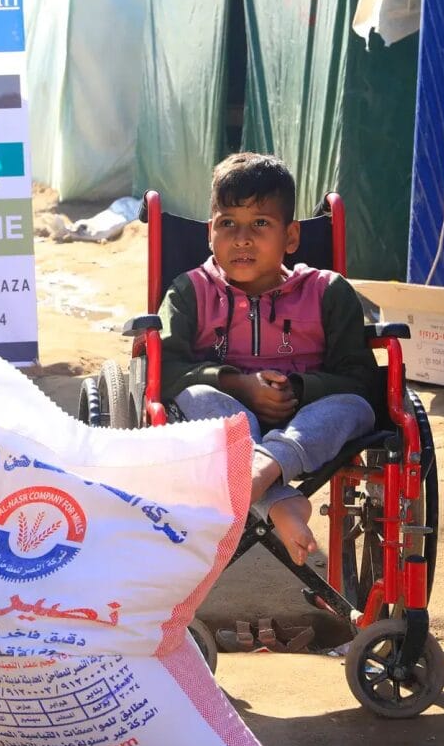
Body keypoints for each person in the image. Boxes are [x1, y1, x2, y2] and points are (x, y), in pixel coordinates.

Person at [159, 152, 378, 566]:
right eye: (228, 223)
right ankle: (275, 498)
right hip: (229, 416)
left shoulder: (327, 291)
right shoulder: (189, 291)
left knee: (354, 407)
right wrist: (237, 384)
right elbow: (163, 372)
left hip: (310, 419)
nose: (242, 238)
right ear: (210, 233)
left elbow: (361, 379)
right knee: (198, 398)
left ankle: (263, 468)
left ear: (291, 237)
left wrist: (301, 388)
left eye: (260, 223)